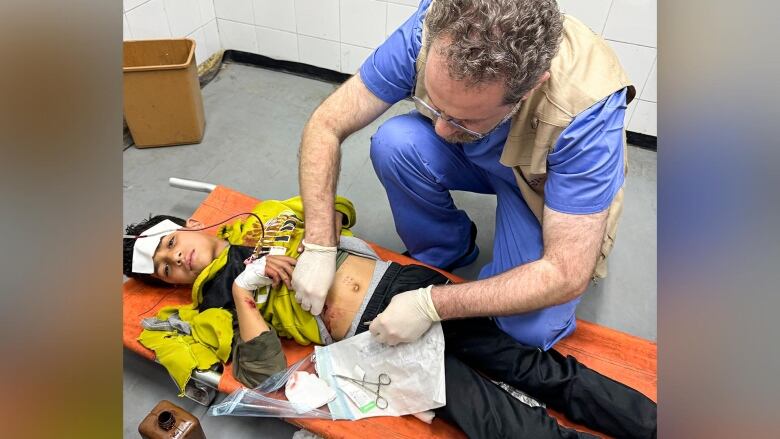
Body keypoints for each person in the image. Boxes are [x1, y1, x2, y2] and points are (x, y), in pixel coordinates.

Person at [124, 197, 656, 439]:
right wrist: (244, 291)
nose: (176, 260)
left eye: (172, 243)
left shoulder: (264, 217)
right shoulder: (213, 304)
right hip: (375, 339)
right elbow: (265, 377)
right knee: (493, 417)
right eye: (166, 270)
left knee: (537, 370)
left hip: (409, 290)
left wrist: (315, 241)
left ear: (191, 225)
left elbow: (339, 208)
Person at [294, 0, 636, 350]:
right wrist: (319, 244)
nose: (440, 130)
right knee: (395, 142)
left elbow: (565, 273)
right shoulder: (431, 30)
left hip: (541, 188)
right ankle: (445, 248)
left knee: (528, 329)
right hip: (477, 154)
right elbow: (327, 123)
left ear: (531, 88)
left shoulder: (585, 109)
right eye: (436, 107)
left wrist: (434, 305)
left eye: (464, 118)